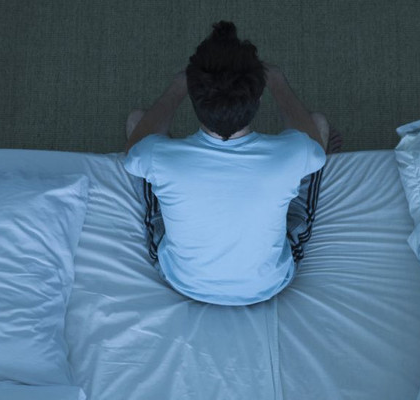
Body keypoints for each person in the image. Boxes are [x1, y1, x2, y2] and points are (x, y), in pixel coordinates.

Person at [123, 20, 342, 306]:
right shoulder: (296, 151)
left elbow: (132, 152)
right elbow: (314, 146)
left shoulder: (153, 155)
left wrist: (177, 87)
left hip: (182, 280)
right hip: (270, 282)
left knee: (137, 122)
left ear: (193, 97)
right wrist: (277, 80)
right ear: (259, 96)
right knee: (318, 126)